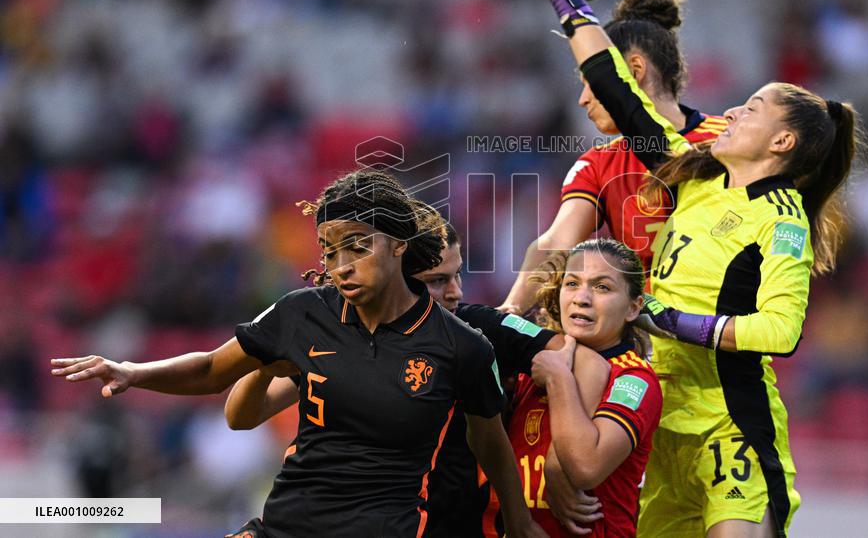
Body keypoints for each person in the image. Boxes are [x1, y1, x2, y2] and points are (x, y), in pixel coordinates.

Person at [514, 0, 862, 537]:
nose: (732, 112)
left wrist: (668, 319)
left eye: (750, 110)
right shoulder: (693, 177)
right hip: (657, 408)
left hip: (729, 418)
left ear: (779, 142)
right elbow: (620, 94)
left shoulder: (781, 221)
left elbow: (780, 331)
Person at [52, 168, 546, 538]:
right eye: (330, 252)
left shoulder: (463, 348)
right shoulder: (302, 314)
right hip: (283, 527)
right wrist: (133, 371)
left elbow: (492, 446)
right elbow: (211, 370)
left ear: (398, 244)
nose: (341, 266)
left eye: (356, 246)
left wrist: (519, 526)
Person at [225, 220, 612, 537]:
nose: (456, 292)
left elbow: (586, 362)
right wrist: (266, 364)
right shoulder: (343, 335)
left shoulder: (476, 331)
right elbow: (241, 417)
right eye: (437, 280)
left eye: (457, 275)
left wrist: (558, 461)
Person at [500, 0, 725, 315]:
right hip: (647, 354)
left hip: (725, 342)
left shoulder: (729, 140)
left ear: (633, 71)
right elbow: (555, 242)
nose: (582, 99)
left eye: (591, 81)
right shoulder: (599, 164)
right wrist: (510, 308)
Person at [499, 238, 663, 537]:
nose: (582, 298)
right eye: (572, 283)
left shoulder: (634, 379)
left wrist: (558, 377)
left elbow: (587, 466)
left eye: (602, 287)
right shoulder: (531, 367)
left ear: (633, 307)